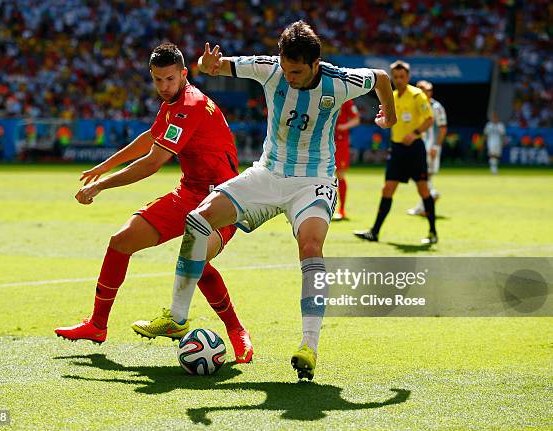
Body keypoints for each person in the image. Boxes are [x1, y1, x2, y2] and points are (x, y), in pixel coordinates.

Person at [135, 21, 396, 380]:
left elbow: (382, 77)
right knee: (198, 219)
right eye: (286, 69)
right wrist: (209, 65)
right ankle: (177, 318)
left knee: (311, 247)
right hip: (267, 174)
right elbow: (221, 65)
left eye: (297, 72)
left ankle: (309, 346)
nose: (289, 77)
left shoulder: (341, 81)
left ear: (315, 64)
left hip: (313, 180)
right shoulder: (271, 69)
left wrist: (390, 114)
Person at [54, 43, 253, 363]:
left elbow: (152, 163)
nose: (163, 86)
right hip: (189, 192)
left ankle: (236, 332)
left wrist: (101, 186)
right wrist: (104, 166)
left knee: (196, 258)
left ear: (184, 74)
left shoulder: (190, 104)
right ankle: (97, 326)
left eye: (170, 79)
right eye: (158, 80)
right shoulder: (173, 103)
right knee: (121, 241)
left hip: (222, 197)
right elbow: (151, 137)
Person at [354, 60, 436, 244]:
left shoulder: (417, 96)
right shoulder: (391, 96)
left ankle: (432, 232)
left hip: (415, 149)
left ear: (408, 77)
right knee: (387, 189)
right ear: (392, 77)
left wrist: (415, 134)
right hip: (397, 149)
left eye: (402, 76)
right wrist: (380, 122)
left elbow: (429, 119)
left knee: (423, 189)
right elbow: (386, 121)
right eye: (396, 76)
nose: (399, 79)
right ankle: (374, 232)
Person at [407, 80, 447, 216]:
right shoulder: (416, 105)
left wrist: (436, 146)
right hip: (418, 145)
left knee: (423, 176)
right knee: (420, 176)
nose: (427, 93)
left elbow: (442, 129)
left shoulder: (436, 107)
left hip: (430, 147)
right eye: (424, 90)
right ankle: (422, 206)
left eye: (429, 90)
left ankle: (431, 195)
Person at [332, 100, 360, 220]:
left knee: (340, 175)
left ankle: (342, 210)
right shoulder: (322, 93)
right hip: (323, 141)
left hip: (340, 143)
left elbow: (356, 119)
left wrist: (344, 126)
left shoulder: (346, 100)